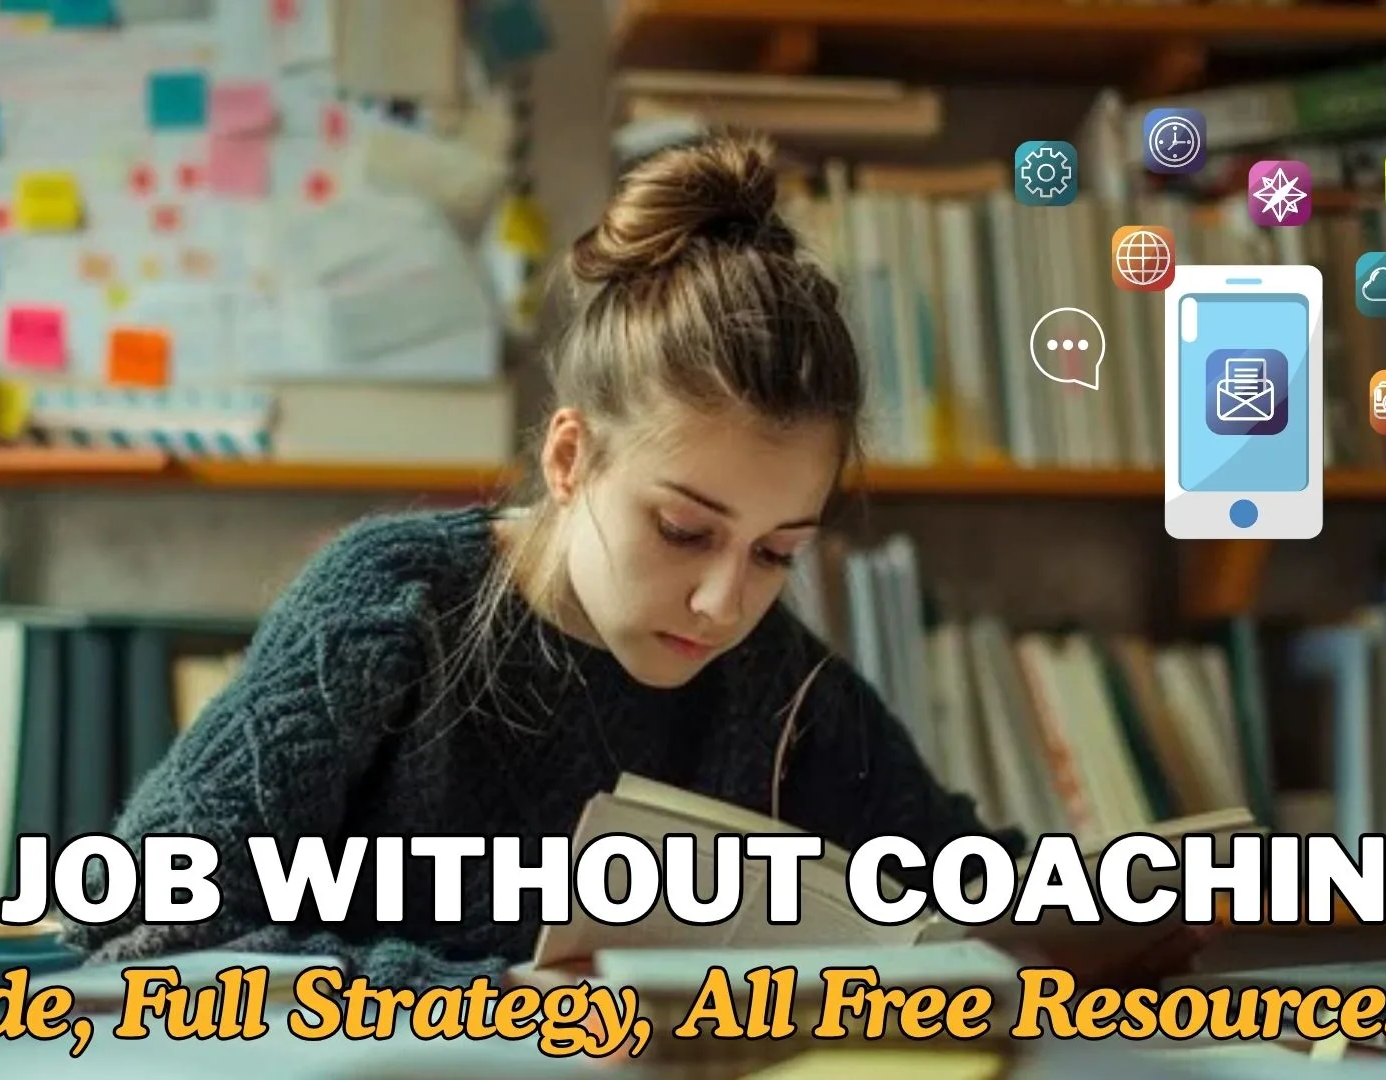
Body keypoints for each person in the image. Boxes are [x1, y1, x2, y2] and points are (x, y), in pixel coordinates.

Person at [66, 133, 1024, 989]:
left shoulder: (773, 674)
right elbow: (133, 929)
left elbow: (965, 885)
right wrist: (506, 992)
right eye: (684, 531)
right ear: (570, 458)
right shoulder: (394, 603)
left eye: (779, 552)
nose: (724, 601)